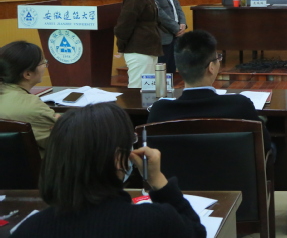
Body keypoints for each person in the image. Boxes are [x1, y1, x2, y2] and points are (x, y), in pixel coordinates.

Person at [12, 102, 205, 238]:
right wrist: (157, 180)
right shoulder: (155, 221)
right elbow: (196, 232)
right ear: (118, 159)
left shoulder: (28, 230)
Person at [148, 30, 272, 154]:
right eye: (218, 58)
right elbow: (265, 145)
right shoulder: (239, 105)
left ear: (179, 67)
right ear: (211, 67)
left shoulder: (159, 111)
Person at [0, 41, 59, 155]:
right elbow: (64, 143)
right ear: (28, 74)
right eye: (43, 62)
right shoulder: (32, 106)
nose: (45, 66)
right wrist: (64, 123)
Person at [114, 0, 163, 88]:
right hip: (139, 50)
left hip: (149, 48)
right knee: (137, 90)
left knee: (149, 90)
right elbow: (123, 25)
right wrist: (121, 47)